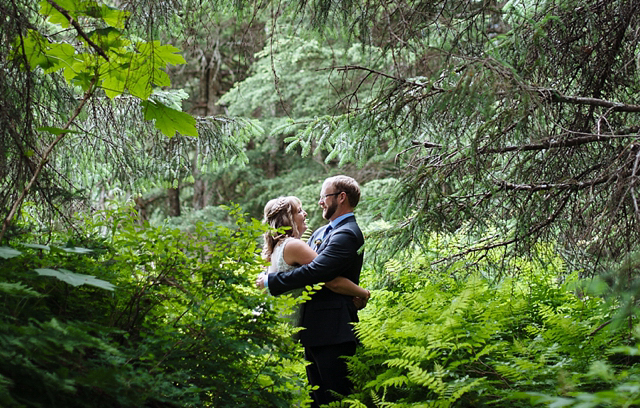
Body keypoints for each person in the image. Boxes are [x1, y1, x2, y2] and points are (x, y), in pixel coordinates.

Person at [256, 175, 367, 407]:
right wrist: (360, 292)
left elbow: (319, 273)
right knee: (319, 399)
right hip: (313, 331)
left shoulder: (346, 233)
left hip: (334, 329)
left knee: (339, 397)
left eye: (323, 197)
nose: (319, 203)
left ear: (341, 197)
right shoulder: (319, 234)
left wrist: (272, 282)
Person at [260, 195, 369, 334]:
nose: (305, 213)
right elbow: (330, 279)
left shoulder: (277, 247)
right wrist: (363, 293)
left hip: (282, 322)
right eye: (299, 211)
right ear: (288, 218)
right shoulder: (294, 245)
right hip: (292, 325)